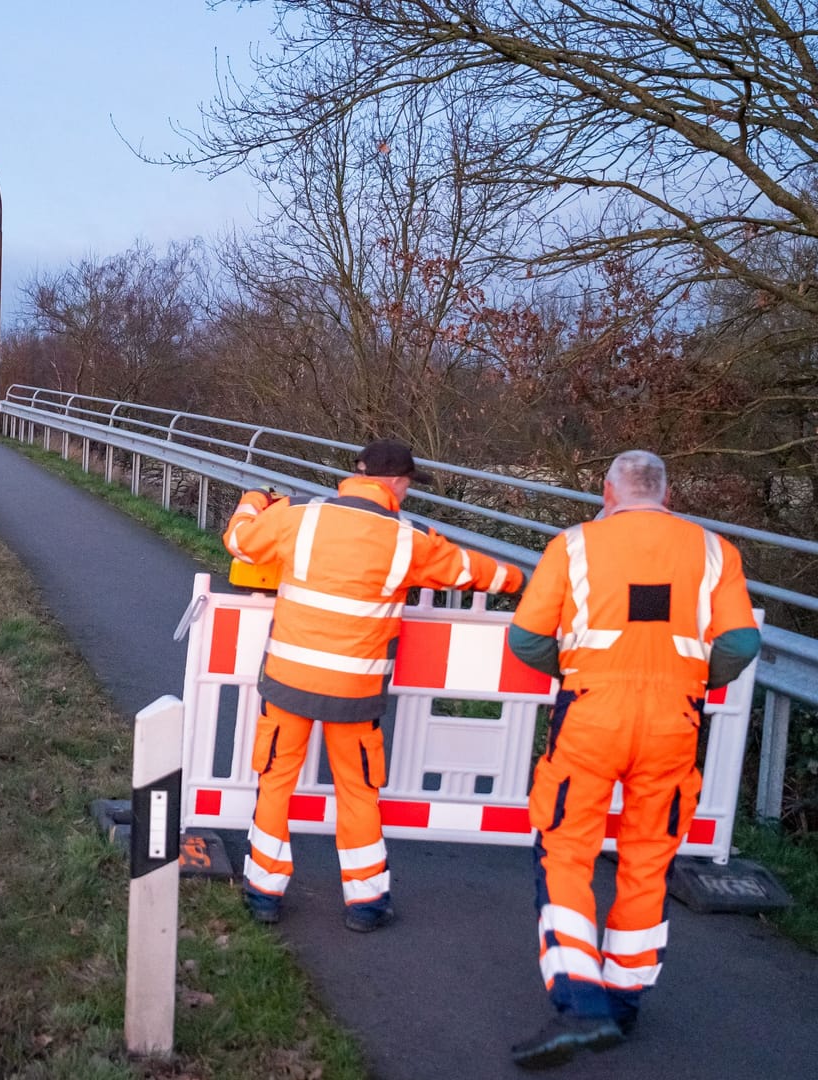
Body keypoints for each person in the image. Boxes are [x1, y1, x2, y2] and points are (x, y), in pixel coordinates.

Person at [505, 450, 761, 1069]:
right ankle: (623, 1002)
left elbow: (526, 637)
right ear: (667, 495)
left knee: (566, 849)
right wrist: (690, 682)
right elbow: (741, 641)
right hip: (675, 722)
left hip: (592, 714)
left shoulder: (573, 546)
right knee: (649, 858)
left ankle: (579, 1004)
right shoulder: (714, 551)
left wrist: (577, 671)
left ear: (608, 491)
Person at [223, 439, 524, 931]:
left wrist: (255, 500)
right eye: (408, 484)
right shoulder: (407, 540)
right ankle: (365, 904)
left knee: (276, 781)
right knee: (358, 791)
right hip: (355, 695)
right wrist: (521, 578)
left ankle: (264, 894)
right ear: (397, 482)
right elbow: (474, 573)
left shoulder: (301, 518)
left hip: (288, 683)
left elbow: (239, 541)